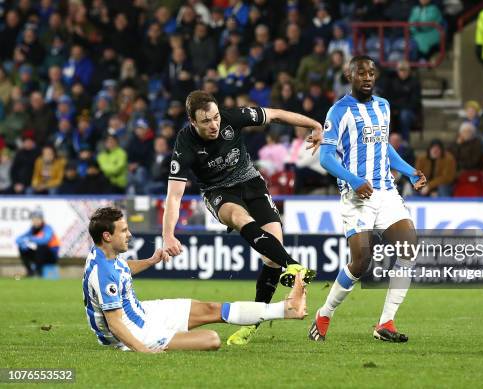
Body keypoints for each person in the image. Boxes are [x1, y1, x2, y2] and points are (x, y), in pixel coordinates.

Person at [163, 91, 320, 346]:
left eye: (215, 118)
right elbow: (174, 197)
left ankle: (252, 325)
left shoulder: (232, 118)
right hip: (219, 193)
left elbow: (277, 115)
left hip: (252, 183)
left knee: (271, 257)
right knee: (237, 216)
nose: (214, 125)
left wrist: (314, 124)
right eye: (206, 122)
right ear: (193, 122)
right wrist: (168, 235)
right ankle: (295, 265)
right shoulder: (185, 144)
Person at [308, 56, 427, 343]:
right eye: (361, 73)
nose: (368, 77)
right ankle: (324, 314)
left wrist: (410, 171)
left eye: (372, 73)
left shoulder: (383, 106)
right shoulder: (338, 112)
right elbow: (325, 156)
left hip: (386, 192)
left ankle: (386, 322)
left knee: (409, 248)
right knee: (361, 261)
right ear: (349, 75)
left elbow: (384, 147)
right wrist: (353, 180)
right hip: (357, 195)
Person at [83, 207, 307, 353]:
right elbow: (114, 323)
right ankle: (286, 309)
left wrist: (151, 261)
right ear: (107, 236)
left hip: (141, 311)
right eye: (123, 230)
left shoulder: (104, 254)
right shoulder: (103, 273)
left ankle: (286, 309)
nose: (129, 234)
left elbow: (122, 269)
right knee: (212, 339)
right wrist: (142, 349)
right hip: (133, 331)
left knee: (210, 307)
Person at [16, 209, 60, 277]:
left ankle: (38, 272)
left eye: (37, 219)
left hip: (51, 256)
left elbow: (45, 240)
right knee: (22, 248)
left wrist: (30, 239)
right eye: (33, 219)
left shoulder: (47, 228)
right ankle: (30, 272)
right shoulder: (32, 229)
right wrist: (23, 243)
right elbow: (18, 239)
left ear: (42, 219)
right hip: (39, 256)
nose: (35, 221)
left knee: (41, 247)